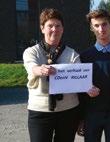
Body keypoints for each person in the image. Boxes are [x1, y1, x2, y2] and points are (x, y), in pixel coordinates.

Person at [23, 8, 80, 142]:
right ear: (42, 28)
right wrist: (40, 70)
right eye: (50, 26)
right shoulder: (31, 52)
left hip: (68, 110)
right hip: (40, 111)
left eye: (57, 26)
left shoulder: (73, 54)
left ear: (62, 29)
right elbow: (31, 67)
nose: (54, 29)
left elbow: (78, 79)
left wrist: (87, 86)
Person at [79, 9, 110, 142]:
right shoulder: (84, 56)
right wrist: (80, 118)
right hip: (91, 114)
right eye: (96, 25)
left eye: (104, 24)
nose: (101, 29)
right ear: (91, 28)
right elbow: (79, 88)